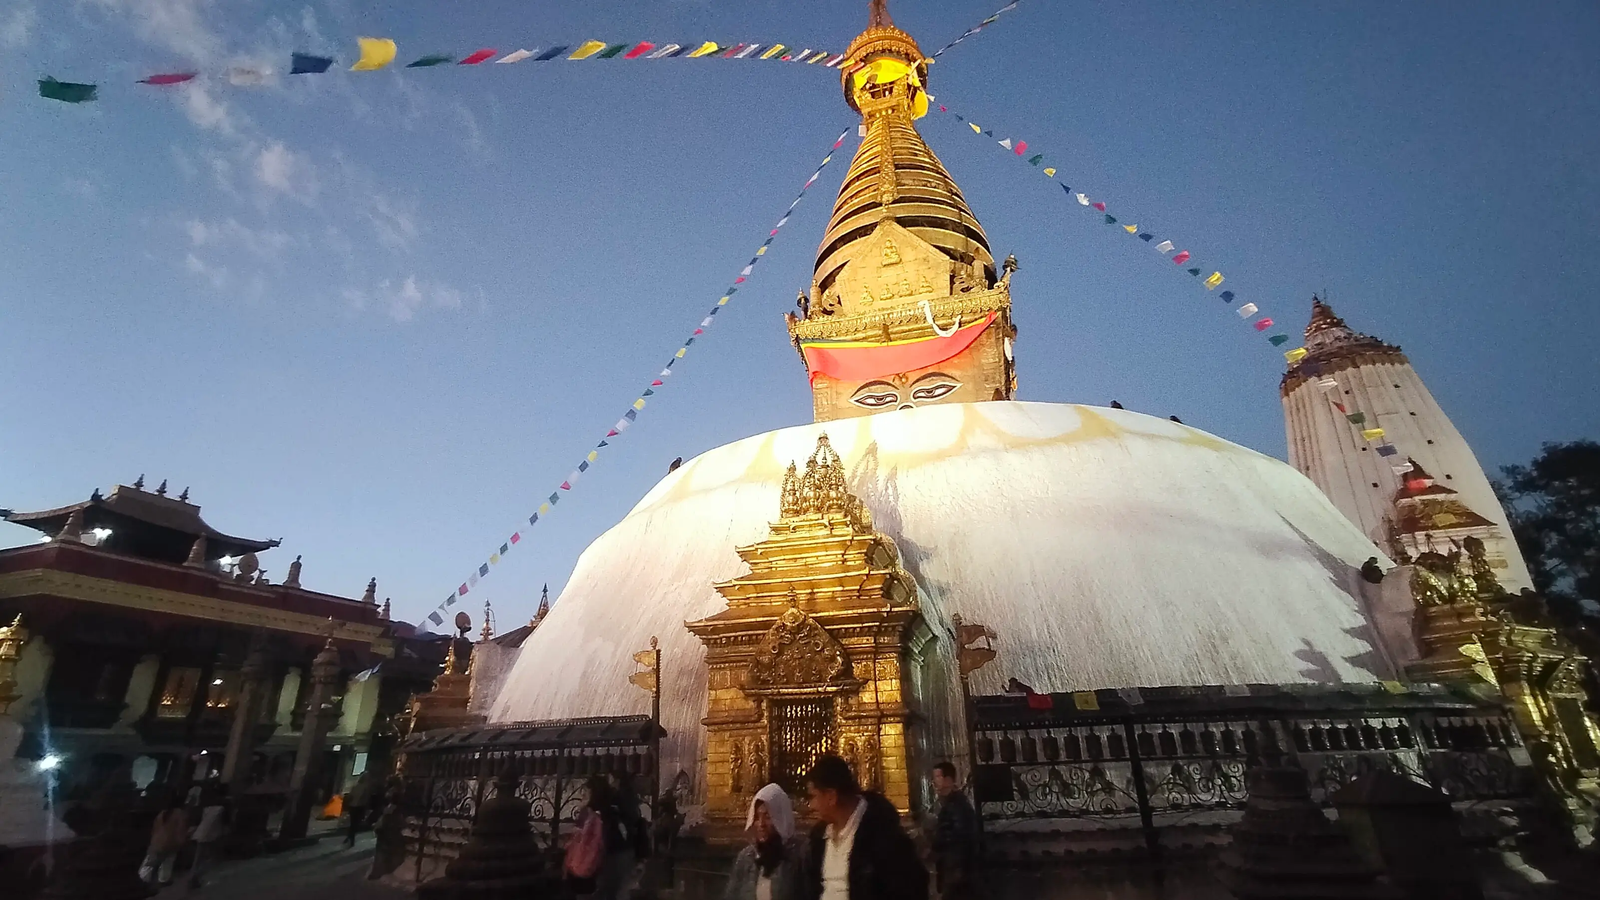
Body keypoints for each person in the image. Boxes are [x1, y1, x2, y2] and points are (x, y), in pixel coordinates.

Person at [803, 753, 926, 900]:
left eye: (813, 796)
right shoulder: (819, 838)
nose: (811, 805)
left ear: (831, 796)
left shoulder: (883, 836)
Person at [725, 783, 809, 900]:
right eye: (757, 817)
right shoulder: (746, 858)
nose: (761, 824)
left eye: (768, 817)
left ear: (781, 819)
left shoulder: (799, 856)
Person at [565, 774, 634, 899]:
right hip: (606, 870)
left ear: (593, 794)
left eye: (585, 793)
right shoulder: (611, 814)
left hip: (594, 872)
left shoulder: (595, 817)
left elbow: (591, 847)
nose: (582, 797)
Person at [930, 762, 979, 900]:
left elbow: (961, 838)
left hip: (957, 870)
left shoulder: (957, 806)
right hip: (951, 869)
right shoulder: (948, 804)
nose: (935, 782)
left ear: (949, 780)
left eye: (938, 777)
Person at [139, 797, 189, 887]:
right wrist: (181, 842)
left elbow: (155, 828)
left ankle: (144, 878)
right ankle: (163, 880)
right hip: (170, 842)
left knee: (152, 861)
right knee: (167, 862)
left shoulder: (162, 813)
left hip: (157, 841)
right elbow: (180, 829)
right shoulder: (180, 813)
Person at [188, 784, 230, 890]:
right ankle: (196, 876)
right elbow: (225, 823)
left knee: (198, 858)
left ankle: (193, 876)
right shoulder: (223, 806)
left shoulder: (206, 805)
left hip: (201, 833)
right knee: (213, 858)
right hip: (213, 835)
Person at [345, 770, 377, 847]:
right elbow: (365, 798)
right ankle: (351, 838)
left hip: (353, 806)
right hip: (359, 807)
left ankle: (350, 837)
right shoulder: (365, 787)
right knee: (356, 823)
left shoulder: (355, 786)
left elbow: (350, 796)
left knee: (353, 823)